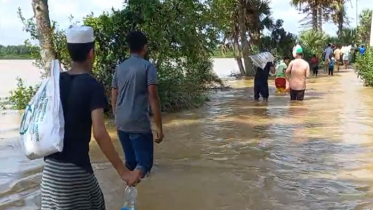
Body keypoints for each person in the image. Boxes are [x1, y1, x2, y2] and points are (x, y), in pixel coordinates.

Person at [41, 26, 141, 210]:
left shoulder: (53, 82)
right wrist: (124, 172)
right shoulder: (91, 85)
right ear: (91, 53)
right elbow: (100, 133)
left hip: (49, 172)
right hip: (75, 173)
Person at [112, 31, 164, 179]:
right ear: (145, 47)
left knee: (130, 162)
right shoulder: (147, 67)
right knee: (144, 165)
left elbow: (114, 94)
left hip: (121, 122)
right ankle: (135, 192)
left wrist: (117, 116)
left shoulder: (120, 68)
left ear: (129, 48)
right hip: (138, 123)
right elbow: (153, 96)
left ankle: (125, 188)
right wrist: (159, 127)